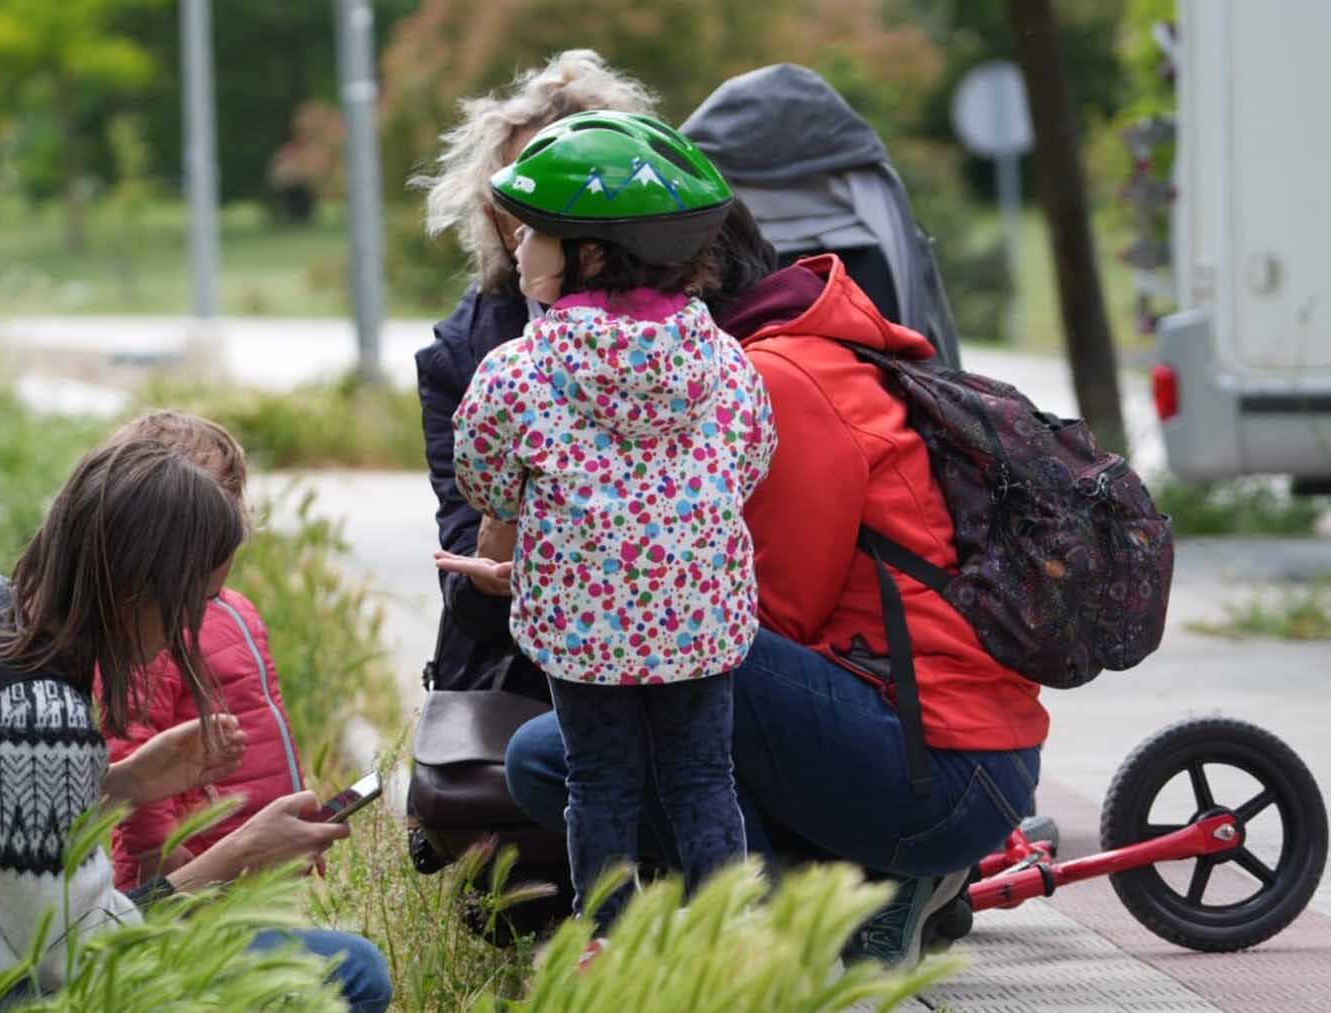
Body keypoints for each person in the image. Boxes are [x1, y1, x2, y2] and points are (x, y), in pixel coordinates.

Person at [503, 248, 1047, 965]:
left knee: (643, 679)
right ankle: (833, 899)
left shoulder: (774, 375)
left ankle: (807, 923)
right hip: (936, 742)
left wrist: (596, 574)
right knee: (572, 747)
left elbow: (776, 611)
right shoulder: (793, 346)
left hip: (941, 772)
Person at [0, 424, 390, 1010]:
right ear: (139, 588)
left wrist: (123, 784)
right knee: (354, 973)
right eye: (199, 600)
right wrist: (238, 858)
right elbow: (80, 954)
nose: (190, 628)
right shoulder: (36, 717)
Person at [446, 110, 776, 933]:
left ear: (588, 253)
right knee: (705, 781)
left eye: (533, 235)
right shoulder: (724, 358)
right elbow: (751, 458)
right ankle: (729, 946)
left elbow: (484, 477)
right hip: (700, 621)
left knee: (600, 784)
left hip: (585, 632)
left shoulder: (520, 369)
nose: (517, 249)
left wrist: (534, 507)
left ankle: (612, 946)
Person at [413, 49, 659, 701]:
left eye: (568, 180)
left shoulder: (693, 328)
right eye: (518, 185)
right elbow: (465, 577)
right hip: (519, 673)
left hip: (676, 652)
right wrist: (489, 574)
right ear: (491, 206)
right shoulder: (461, 358)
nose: (535, 207)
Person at [98, 412, 307, 892]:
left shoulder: (239, 612)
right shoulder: (148, 631)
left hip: (257, 850)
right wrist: (166, 858)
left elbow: (263, 723)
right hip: (197, 865)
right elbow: (135, 755)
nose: (224, 515)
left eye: (230, 495)